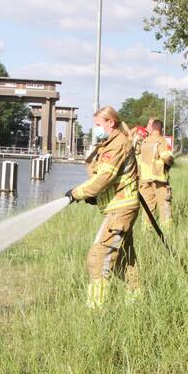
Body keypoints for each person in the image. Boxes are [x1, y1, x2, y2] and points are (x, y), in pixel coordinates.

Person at [66, 106, 141, 308]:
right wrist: (95, 196)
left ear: (111, 122)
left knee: (98, 258)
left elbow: (104, 177)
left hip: (120, 209)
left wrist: (77, 193)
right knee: (124, 262)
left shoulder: (118, 145)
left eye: (98, 124)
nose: (96, 129)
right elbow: (105, 177)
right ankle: (136, 304)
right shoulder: (110, 143)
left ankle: (95, 311)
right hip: (118, 207)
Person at [137, 118, 175, 227]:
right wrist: (171, 162)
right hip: (159, 179)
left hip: (144, 179)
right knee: (164, 205)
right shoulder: (161, 141)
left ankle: (146, 230)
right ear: (161, 129)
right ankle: (167, 230)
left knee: (148, 207)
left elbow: (139, 160)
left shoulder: (144, 141)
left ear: (152, 128)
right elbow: (167, 157)